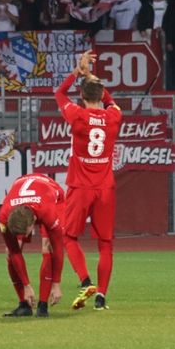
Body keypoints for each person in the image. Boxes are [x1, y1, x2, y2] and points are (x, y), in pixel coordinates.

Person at [57, 50, 122, 311]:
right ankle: (101, 297)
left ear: (82, 97)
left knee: (69, 236)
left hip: (80, 186)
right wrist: (93, 78)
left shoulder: (76, 114)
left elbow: (59, 94)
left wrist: (78, 73)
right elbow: (110, 101)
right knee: (106, 245)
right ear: (100, 94)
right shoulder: (114, 116)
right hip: (105, 188)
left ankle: (86, 281)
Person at [0, 173, 67, 318]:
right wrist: (26, 285)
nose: (24, 236)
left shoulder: (47, 211)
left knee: (48, 247)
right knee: (10, 252)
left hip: (53, 196)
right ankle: (24, 305)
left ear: (35, 220)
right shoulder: (4, 216)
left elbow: (58, 248)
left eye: (26, 232)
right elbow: (14, 251)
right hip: (23, 191)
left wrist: (56, 283)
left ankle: (43, 306)